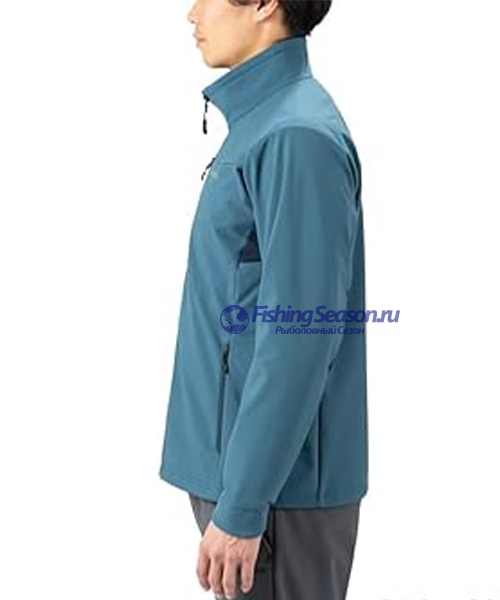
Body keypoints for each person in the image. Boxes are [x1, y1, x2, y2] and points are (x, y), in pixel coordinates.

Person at [158, 1, 369, 598]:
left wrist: (244, 504)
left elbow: (300, 337)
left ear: (264, 5)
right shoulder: (265, 124)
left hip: (276, 495)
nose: (192, 12)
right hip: (245, 478)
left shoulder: (295, 135)